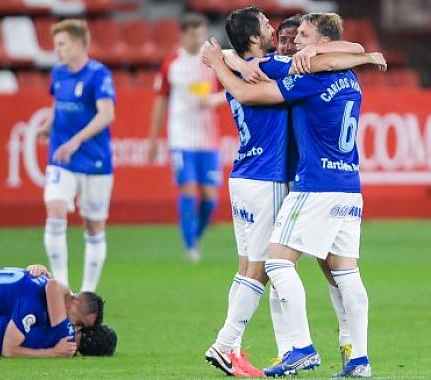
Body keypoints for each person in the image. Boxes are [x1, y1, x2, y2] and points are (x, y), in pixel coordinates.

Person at [200, 7, 385, 377]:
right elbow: (260, 82)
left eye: (301, 37)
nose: (292, 44)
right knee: (331, 272)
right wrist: (364, 55)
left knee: (270, 266)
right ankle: (351, 357)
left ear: (321, 44)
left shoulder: (301, 73)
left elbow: (250, 85)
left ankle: (288, 347)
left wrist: (222, 63)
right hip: (337, 184)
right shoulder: (345, 78)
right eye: (279, 32)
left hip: (284, 180)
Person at [38, 19, 116, 292]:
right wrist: (49, 126)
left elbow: (107, 114)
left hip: (94, 160)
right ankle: (62, 287)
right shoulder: (58, 73)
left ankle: (87, 293)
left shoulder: (98, 74)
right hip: (62, 159)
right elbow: (56, 104)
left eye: (62, 44)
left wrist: (75, 141)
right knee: (55, 210)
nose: (57, 49)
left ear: (80, 44)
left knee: (94, 226)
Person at [147, 13, 226, 262]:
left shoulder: (214, 60)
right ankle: (190, 247)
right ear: (183, 35)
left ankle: (196, 236)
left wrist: (212, 100)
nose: (197, 38)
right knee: (189, 192)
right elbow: (160, 101)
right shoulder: (173, 62)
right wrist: (153, 139)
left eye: (201, 33)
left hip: (208, 139)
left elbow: (231, 91)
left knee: (210, 201)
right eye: (193, 34)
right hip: (181, 137)